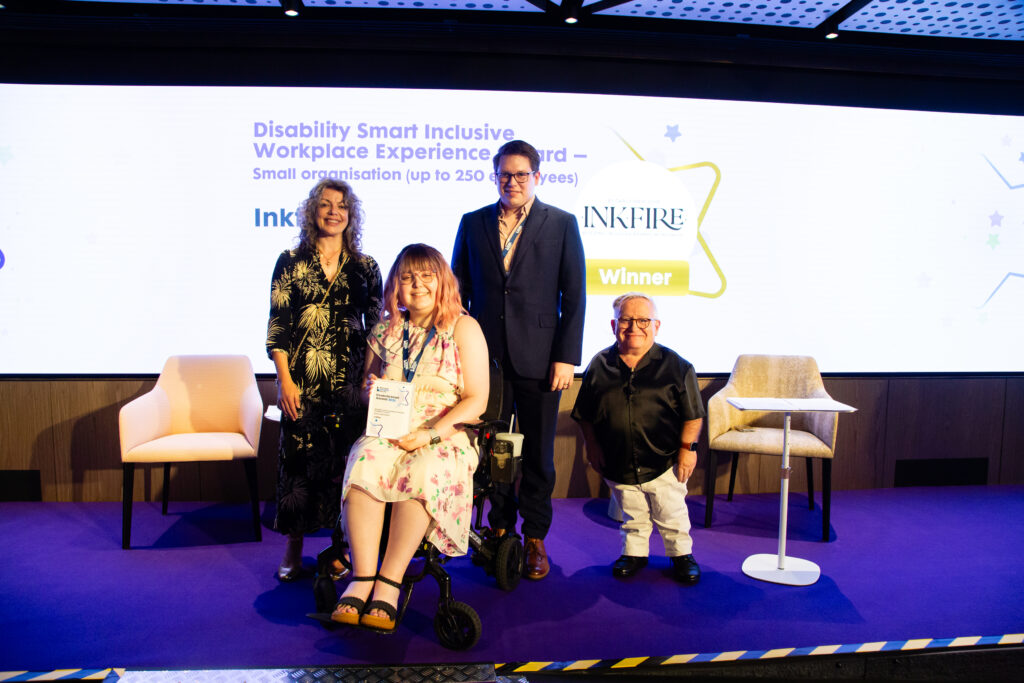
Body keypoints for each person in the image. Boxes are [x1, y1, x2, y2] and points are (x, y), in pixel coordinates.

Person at [330, 244, 489, 631]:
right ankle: (362, 576)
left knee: (423, 470)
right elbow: (368, 389)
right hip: (390, 427)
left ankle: (389, 582)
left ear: (443, 282)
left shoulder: (463, 327)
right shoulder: (386, 329)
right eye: (407, 277)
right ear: (395, 287)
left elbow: (477, 399)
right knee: (366, 460)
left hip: (444, 432)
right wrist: (372, 389)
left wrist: (430, 434)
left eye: (426, 276)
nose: (417, 285)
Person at [451, 139, 586, 580]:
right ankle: (500, 529)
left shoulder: (561, 224)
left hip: (542, 360)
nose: (513, 182)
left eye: (521, 175)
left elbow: (575, 296)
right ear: (496, 177)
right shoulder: (472, 223)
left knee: (539, 456)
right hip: (484, 363)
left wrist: (566, 358)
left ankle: (535, 538)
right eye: (505, 175)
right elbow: (458, 294)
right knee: (496, 452)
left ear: (537, 177)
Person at [266, 179, 383, 581]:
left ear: (351, 216)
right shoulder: (290, 261)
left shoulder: (366, 267)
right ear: (312, 211)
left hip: (351, 386)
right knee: (297, 467)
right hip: (302, 383)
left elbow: (377, 331)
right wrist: (284, 381)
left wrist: (371, 380)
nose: (334, 212)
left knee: (344, 468)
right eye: (326, 205)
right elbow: (278, 325)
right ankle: (293, 547)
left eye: (343, 206)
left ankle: (338, 549)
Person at [571, 293, 704, 585]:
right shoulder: (599, 364)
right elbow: (585, 415)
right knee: (632, 515)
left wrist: (687, 450)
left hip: (664, 462)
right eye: (626, 320)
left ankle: (682, 556)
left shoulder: (678, 366)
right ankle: (634, 554)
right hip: (618, 463)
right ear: (613, 324)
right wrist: (591, 446)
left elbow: (693, 415)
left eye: (643, 320)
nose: (634, 327)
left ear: (656, 325)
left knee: (671, 514)